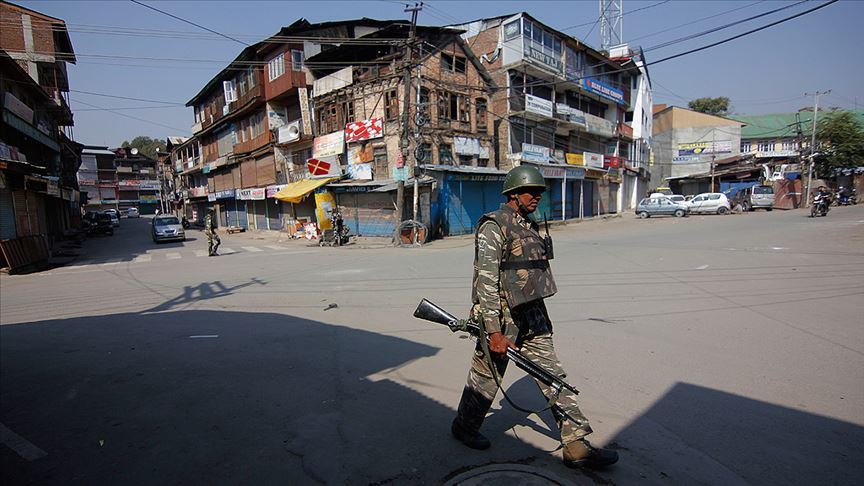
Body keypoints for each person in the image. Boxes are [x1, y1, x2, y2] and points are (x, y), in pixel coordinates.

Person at [450, 165, 618, 469]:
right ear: (514, 194)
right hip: (501, 322)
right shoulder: (494, 225)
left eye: (540, 192)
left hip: (532, 318)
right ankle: (464, 427)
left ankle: (576, 445)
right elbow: (486, 282)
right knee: (486, 380)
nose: (538, 197)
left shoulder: (529, 225)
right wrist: (493, 331)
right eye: (532, 192)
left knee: (554, 378)